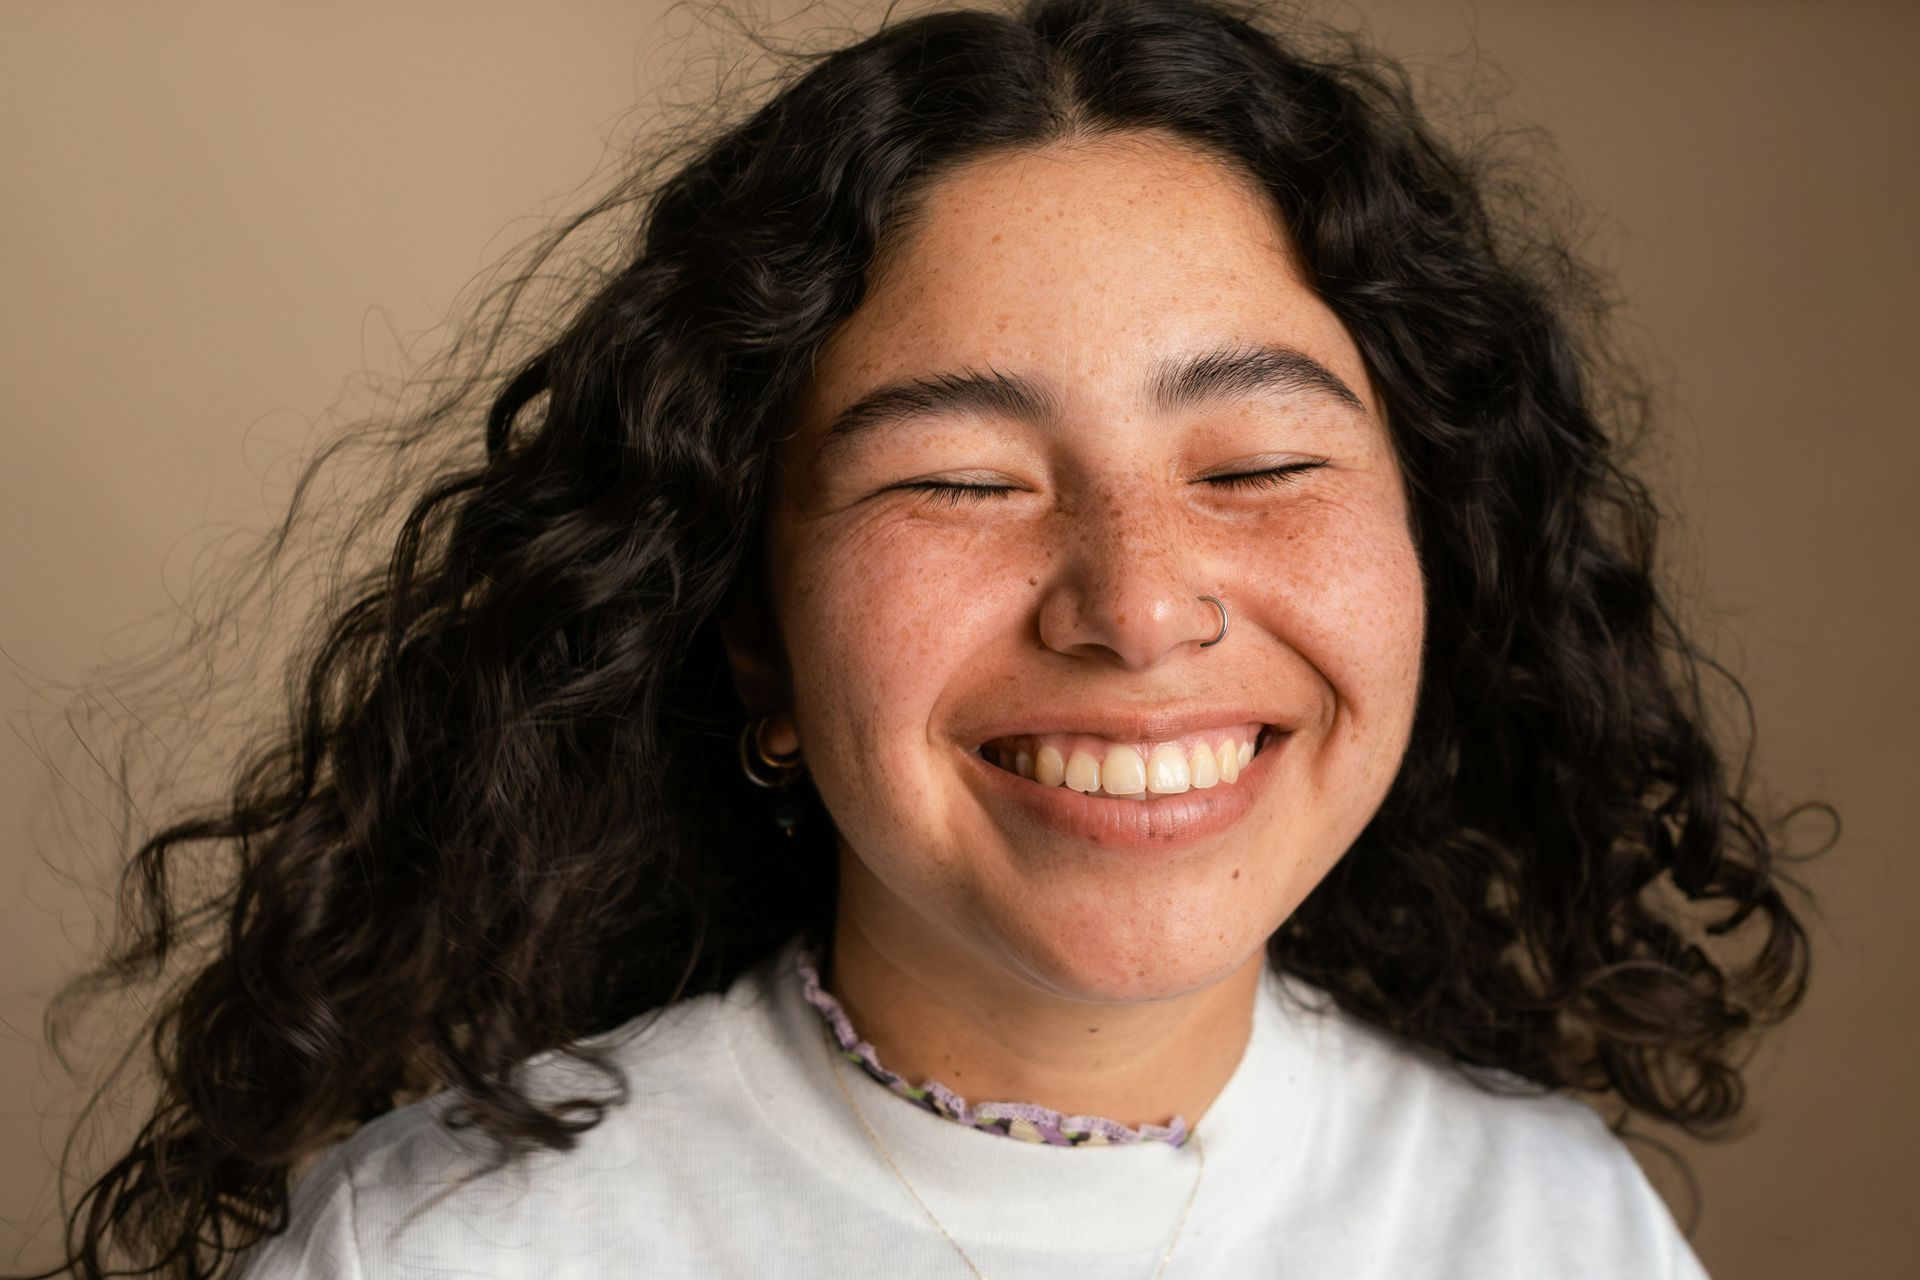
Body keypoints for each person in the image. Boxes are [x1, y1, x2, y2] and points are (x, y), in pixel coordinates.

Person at [19, 1, 1816, 1276]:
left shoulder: (1547, 1223)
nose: (1136, 603)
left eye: (1260, 462)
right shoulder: (454, 1255)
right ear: (753, 643)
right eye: (960, 479)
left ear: (1433, 556)